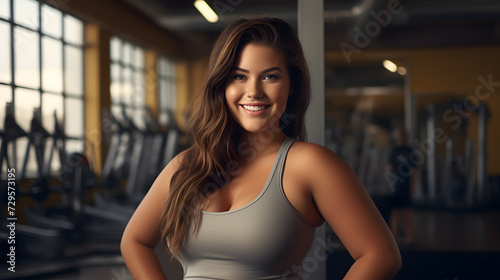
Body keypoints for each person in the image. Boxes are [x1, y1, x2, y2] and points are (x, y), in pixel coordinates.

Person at [121, 17, 401, 279]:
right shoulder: (187, 165)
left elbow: (380, 255)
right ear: (221, 85)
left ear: (291, 85)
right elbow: (135, 241)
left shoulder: (310, 164)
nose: (253, 91)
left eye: (270, 77)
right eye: (239, 76)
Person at [386, 128, 416, 247]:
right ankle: (394, 238)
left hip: (406, 185)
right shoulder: (394, 151)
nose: (402, 139)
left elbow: (414, 171)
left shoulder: (410, 151)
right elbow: (388, 169)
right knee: (396, 212)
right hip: (396, 186)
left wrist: (413, 186)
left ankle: (409, 237)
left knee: (408, 212)